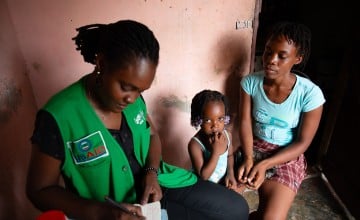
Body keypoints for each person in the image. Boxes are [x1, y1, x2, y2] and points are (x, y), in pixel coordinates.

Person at [26, 19, 249, 220]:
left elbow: (152, 135)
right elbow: (39, 190)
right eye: (126, 87)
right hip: (114, 208)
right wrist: (101, 212)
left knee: (237, 210)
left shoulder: (134, 100)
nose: (132, 98)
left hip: (157, 184)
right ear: (101, 64)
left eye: (140, 90)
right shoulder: (58, 117)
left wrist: (152, 173)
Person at [237, 21, 325, 220]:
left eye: (281, 56)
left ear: (297, 58)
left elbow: (302, 143)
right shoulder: (250, 83)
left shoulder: (310, 94)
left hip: (286, 156)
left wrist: (265, 164)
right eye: (268, 52)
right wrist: (249, 159)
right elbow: (244, 123)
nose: (271, 60)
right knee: (225, 205)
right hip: (253, 147)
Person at [188, 89, 240, 192]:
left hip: (221, 183)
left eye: (220, 118)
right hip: (202, 187)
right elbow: (204, 176)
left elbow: (229, 156)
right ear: (198, 120)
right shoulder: (195, 145)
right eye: (208, 120)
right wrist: (215, 152)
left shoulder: (227, 135)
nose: (215, 125)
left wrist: (230, 174)